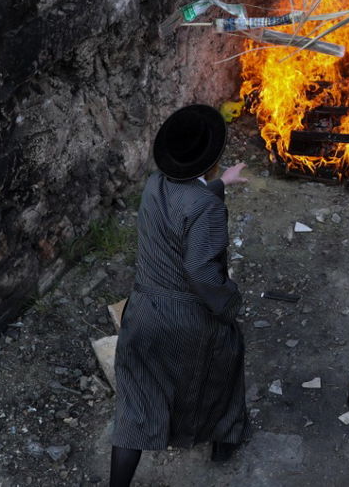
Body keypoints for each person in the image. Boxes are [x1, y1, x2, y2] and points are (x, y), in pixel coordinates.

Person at [109, 104, 251, 485]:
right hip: (185, 318)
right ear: (212, 162)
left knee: (135, 401)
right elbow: (201, 272)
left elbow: (184, 204)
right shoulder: (207, 208)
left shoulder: (155, 184)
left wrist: (222, 184)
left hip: (142, 313)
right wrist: (229, 303)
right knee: (225, 362)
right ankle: (225, 441)